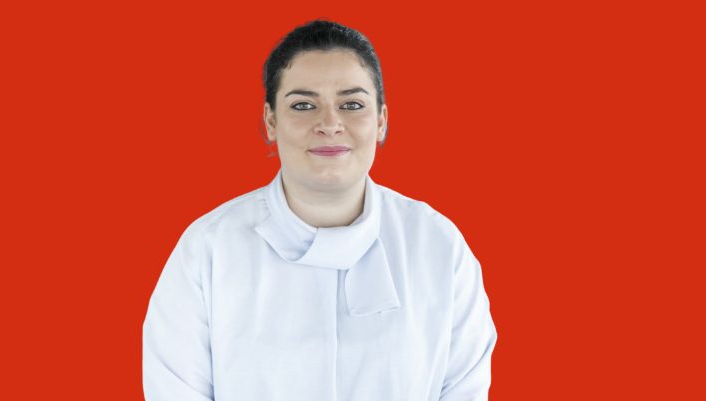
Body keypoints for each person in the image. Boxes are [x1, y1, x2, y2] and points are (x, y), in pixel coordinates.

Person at [142, 19, 497, 401]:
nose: (330, 124)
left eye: (352, 104)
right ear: (271, 121)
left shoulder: (438, 247)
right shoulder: (208, 249)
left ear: (381, 121)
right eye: (303, 105)